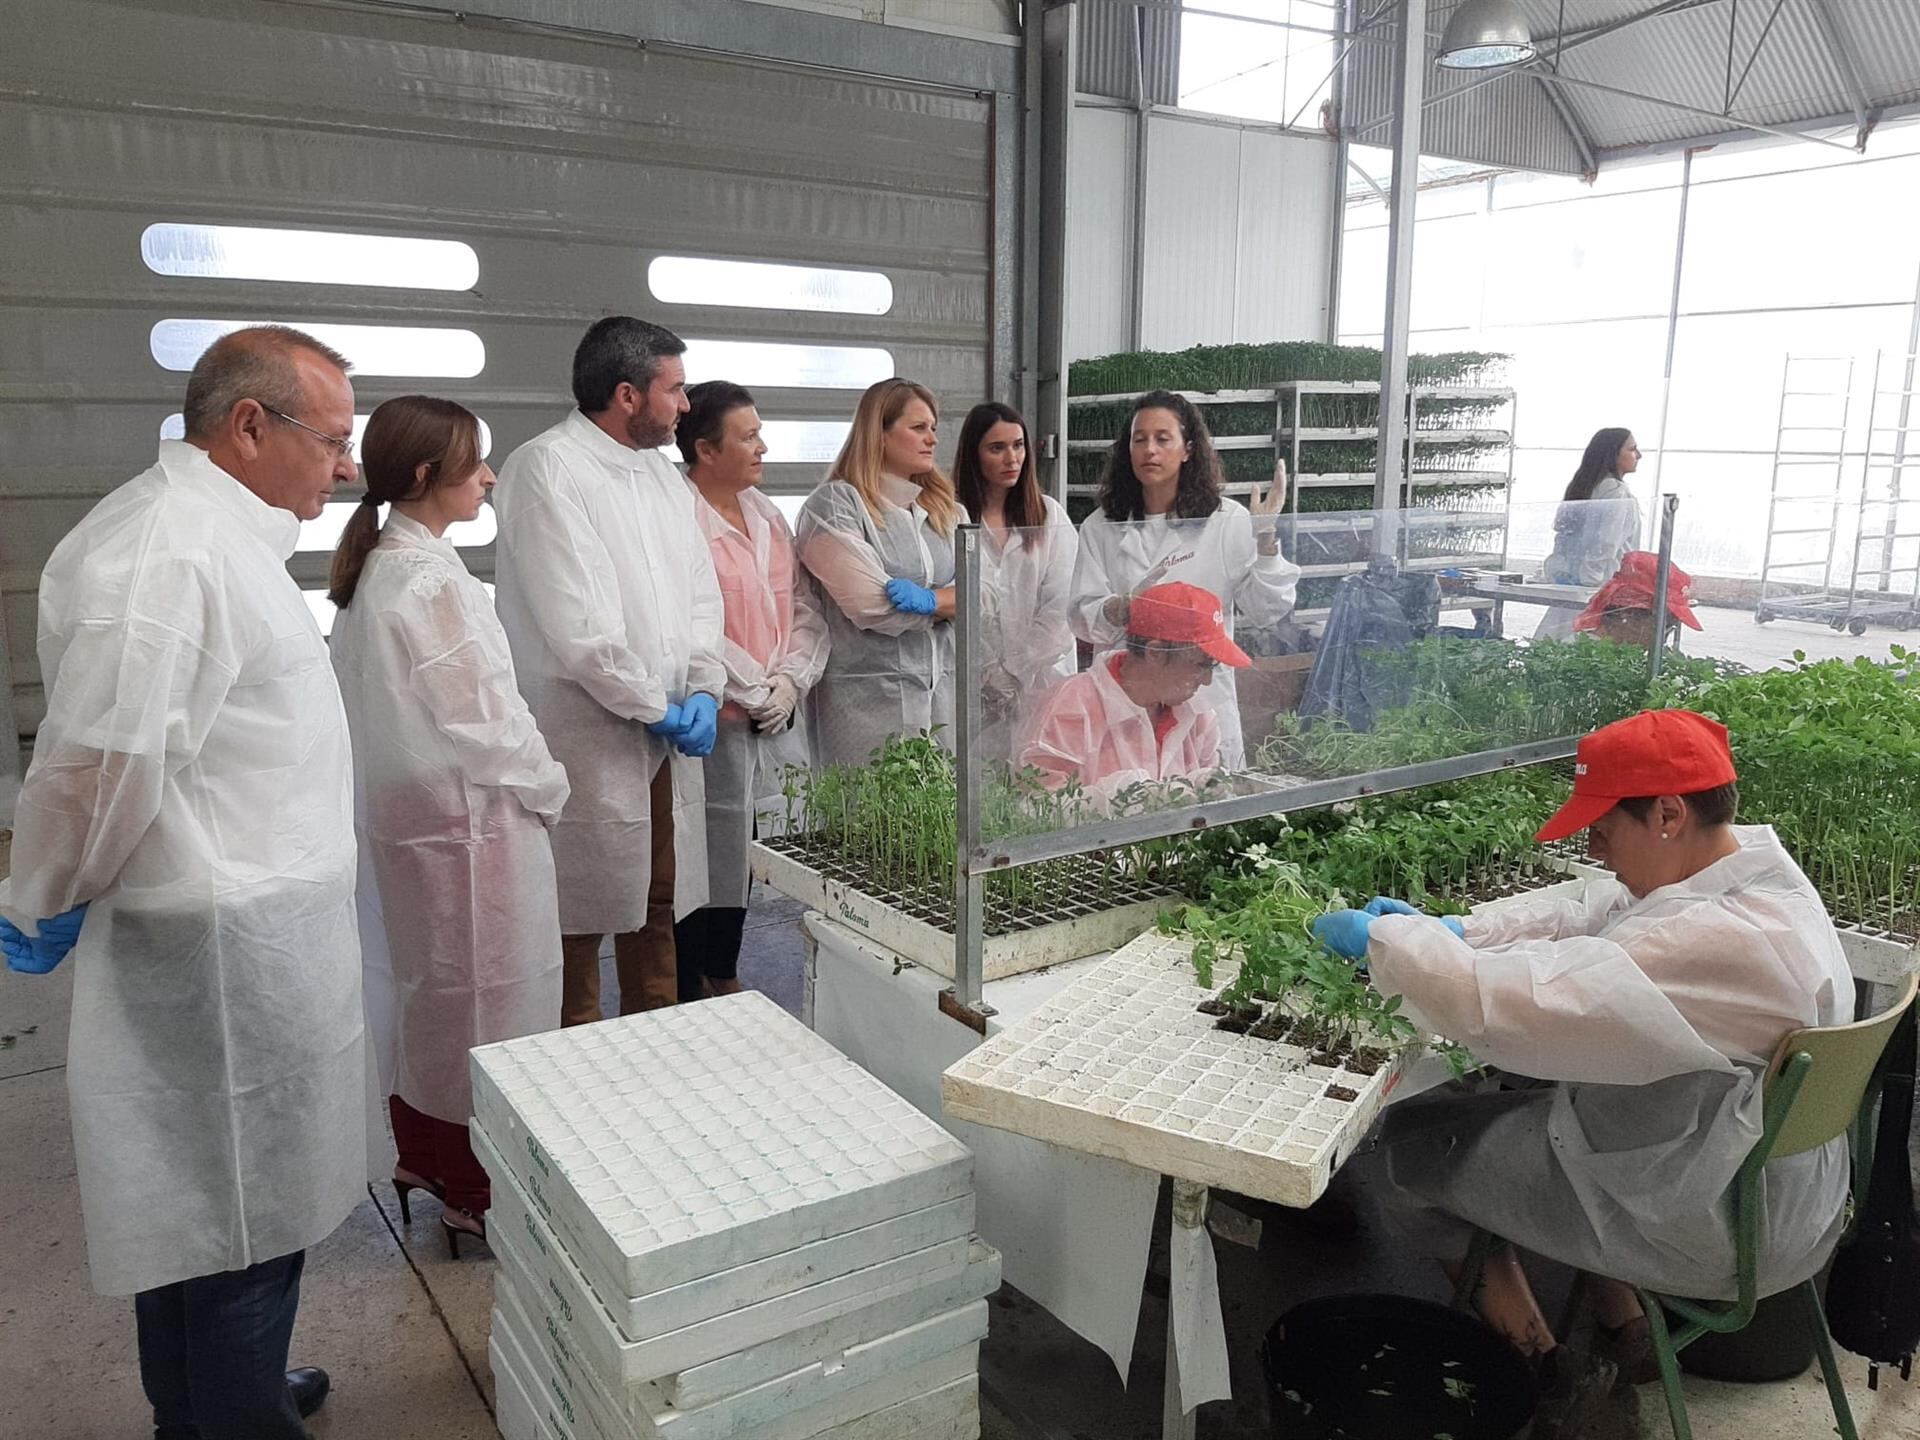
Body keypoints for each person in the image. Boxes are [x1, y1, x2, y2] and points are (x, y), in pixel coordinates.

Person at [0, 326, 367, 1438]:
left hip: (253, 934)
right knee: (237, 1219)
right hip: (220, 957)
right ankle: (235, 1417)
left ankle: (214, 1403)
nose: (346, 467)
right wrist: (41, 894)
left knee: (211, 1215)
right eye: (331, 440)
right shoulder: (172, 550)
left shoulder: (215, 536)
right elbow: (103, 762)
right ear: (249, 425)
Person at [1312, 710, 1853, 1409]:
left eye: (1603, 829)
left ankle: (1544, 1367)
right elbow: (1596, 916)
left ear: (1666, 813)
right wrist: (1454, 930)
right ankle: (1625, 1326)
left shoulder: (1728, 941)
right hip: (1751, 1184)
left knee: (1395, 1155)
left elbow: (1495, 1009)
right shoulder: (1754, 881)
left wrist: (1388, 941)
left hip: (1710, 1219)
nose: (1596, 851)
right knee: (1507, 1105)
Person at [326, 396, 569, 1254]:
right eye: (477, 465)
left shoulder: (377, 572)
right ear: (428, 476)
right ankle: (473, 1183)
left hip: (410, 825)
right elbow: (484, 717)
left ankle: (423, 1156)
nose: (491, 479)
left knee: (422, 994)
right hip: (471, 827)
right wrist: (549, 783)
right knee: (487, 1003)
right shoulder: (427, 581)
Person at [492, 317, 726, 1026]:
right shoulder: (548, 467)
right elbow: (578, 624)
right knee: (577, 913)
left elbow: (699, 594)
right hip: (587, 733)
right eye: (676, 389)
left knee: (656, 900)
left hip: (663, 732)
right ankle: (572, 1063)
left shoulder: (661, 478)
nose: (686, 405)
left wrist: (707, 687)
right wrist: (651, 703)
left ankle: (654, 1042)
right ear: (627, 395)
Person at [674, 382, 828, 1002]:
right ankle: (691, 980)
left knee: (741, 851)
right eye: (748, 436)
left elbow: (803, 609)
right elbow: (688, 622)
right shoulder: (679, 520)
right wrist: (750, 684)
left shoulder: (766, 514)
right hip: (708, 716)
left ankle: (724, 967)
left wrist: (790, 681)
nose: (763, 446)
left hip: (767, 717)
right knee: (699, 855)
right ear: (706, 451)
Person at [1069, 390, 1298, 768]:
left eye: (1162, 439)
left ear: (1188, 449)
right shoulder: (1101, 526)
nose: (1149, 451)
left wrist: (1266, 539)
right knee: (1124, 795)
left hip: (1202, 696)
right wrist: (1121, 608)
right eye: (1138, 440)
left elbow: (1266, 609)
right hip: (1127, 697)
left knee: (1204, 807)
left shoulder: (1224, 521)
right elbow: (1081, 616)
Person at [797, 378, 959, 768]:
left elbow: (987, 593)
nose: (932, 440)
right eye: (918, 428)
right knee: (868, 822)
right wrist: (952, 602)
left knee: (937, 821)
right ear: (879, 434)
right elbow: (871, 605)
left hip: (941, 706)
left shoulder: (944, 508)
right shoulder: (835, 505)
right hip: (864, 712)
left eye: (933, 428)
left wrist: (932, 600)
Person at [1019, 582, 1247, 809]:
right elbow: (1034, 809)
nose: (1206, 680)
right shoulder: (1071, 708)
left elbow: (1206, 780)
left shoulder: (1197, 713)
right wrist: (1123, 799)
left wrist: (1207, 785)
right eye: (1200, 665)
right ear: (1155, 653)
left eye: (1212, 665)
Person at [952, 401, 1078, 763]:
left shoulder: (1049, 515)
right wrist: (989, 672)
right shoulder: (952, 516)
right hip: (974, 688)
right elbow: (955, 601)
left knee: (1042, 780)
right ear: (973, 454)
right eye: (997, 448)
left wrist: (1014, 670)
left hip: (1042, 681)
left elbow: (1060, 608)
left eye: (1018, 445)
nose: (1012, 458)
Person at [1534, 428, 1643, 641]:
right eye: (1632, 449)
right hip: (1597, 585)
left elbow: (1564, 535)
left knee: (1553, 638)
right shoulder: (1616, 492)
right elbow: (1606, 543)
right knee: (1579, 642)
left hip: (1573, 581)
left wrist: (1565, 573)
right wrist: (1591, 582)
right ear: (1613, 453)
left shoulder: (1584, 486)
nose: (1638, 455)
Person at [1571, 550, 1703, 650]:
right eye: (1667, 623)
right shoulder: (1582, 657)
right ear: (1627, 615)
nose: (1663, 638)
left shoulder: (1613, 653)